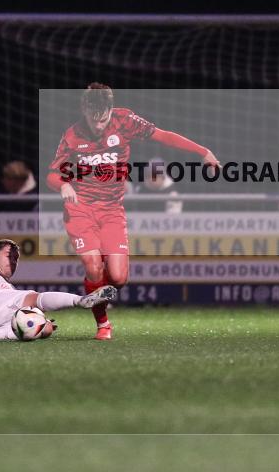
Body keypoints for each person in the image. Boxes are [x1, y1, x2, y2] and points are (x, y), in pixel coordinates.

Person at [46, 83, 219, 340]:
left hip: (112, 211)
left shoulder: (125, 120)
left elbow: (163, 135)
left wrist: (203, 152)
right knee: (93, 265)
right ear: (84, 109)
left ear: (110, 110)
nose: (99, 126)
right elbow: (52, 174)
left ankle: (97, 286)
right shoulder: (72, 135)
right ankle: (103, 324)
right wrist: (62, 186)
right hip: (81, 210)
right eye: (94, 120)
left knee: (118, 277)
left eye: (103, 120)